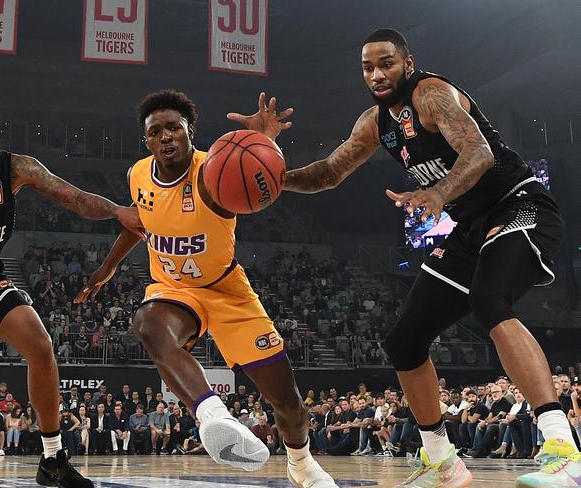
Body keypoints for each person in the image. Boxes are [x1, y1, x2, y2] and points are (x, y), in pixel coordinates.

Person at [282, 28, 577, 487]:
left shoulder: (432, 95)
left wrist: (438, 191)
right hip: (471, 227)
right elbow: (327, 172)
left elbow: (478, 152)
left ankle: (562, 447)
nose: (377, 74)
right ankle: (441, 459)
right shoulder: (373, 123)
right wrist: (269, 176)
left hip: (520, 205)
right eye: (368, 67)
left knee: (490, 300)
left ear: (408, 62)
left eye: (386, 64)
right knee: (404, 341)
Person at [76, 90, 336, 487]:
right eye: (155, 131)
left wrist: (263, 145)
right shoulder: (138, 175)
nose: (165, 137)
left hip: (227, 289)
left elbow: (254, 176)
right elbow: (139, 222)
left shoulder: (214, 172)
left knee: (287, 401)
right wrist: (107, 267)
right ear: (146, 140)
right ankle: (213, 416)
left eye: (174, 128)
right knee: (147, 324)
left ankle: (301, 462)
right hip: (174, 288)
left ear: (189, 132)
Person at [0, 92, 142, 487]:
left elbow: (73, 198)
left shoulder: (15, 168)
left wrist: (116, 210)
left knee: (41, 344)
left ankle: (51, 461)